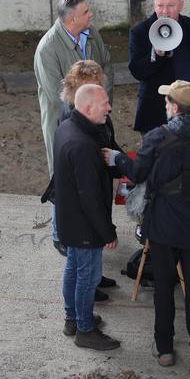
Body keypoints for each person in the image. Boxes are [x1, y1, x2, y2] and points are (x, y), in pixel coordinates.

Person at [110, 80, 190, 373]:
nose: (165, 105)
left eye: (167, 101)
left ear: (174, 107)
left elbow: (137, 172)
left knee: (162, 288)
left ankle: (165, 349)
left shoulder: (158, 136)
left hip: (161, 224)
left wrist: (118, 158)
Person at [34, 0, 114, 255]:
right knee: (62, 178)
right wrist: (88, 107)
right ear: (71, 19)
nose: (91, 15)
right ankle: (60, 235)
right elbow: (57, 92)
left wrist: (100, 100)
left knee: (90, 175)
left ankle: (89, 229)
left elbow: (107, 66)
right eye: (86, 12)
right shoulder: (47, 48)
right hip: (63, 124)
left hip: (91, 118)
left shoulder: (92, 35)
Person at [40, 60, 121, 299]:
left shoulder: (94, 114)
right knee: (82, 261)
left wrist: (121, 161)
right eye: (96, 85)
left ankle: (94, 276)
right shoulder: (73, 120)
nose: (101, 90)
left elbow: (108, 141)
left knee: (86, 259)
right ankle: (88, 292)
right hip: (82, 201)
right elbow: (87, 190)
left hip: (92, 182)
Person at [53, 84, 121, 351]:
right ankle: (85, 329)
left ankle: (73, 317)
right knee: (87, 277)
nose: (109, 108)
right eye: (104, 103)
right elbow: (90, 198)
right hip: (84, 225)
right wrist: (107, 232)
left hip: (70, 219)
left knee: (73, 268)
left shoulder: (67, 127)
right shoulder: (82, 145)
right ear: (88, 107)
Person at [128, 0, 190, 135]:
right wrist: (155, 56)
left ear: (181, 5)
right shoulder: (140, 32)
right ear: (154, 6)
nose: (165, 12)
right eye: (160, 6)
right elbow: (136, 71)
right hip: (157, 115)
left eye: (171, 6)